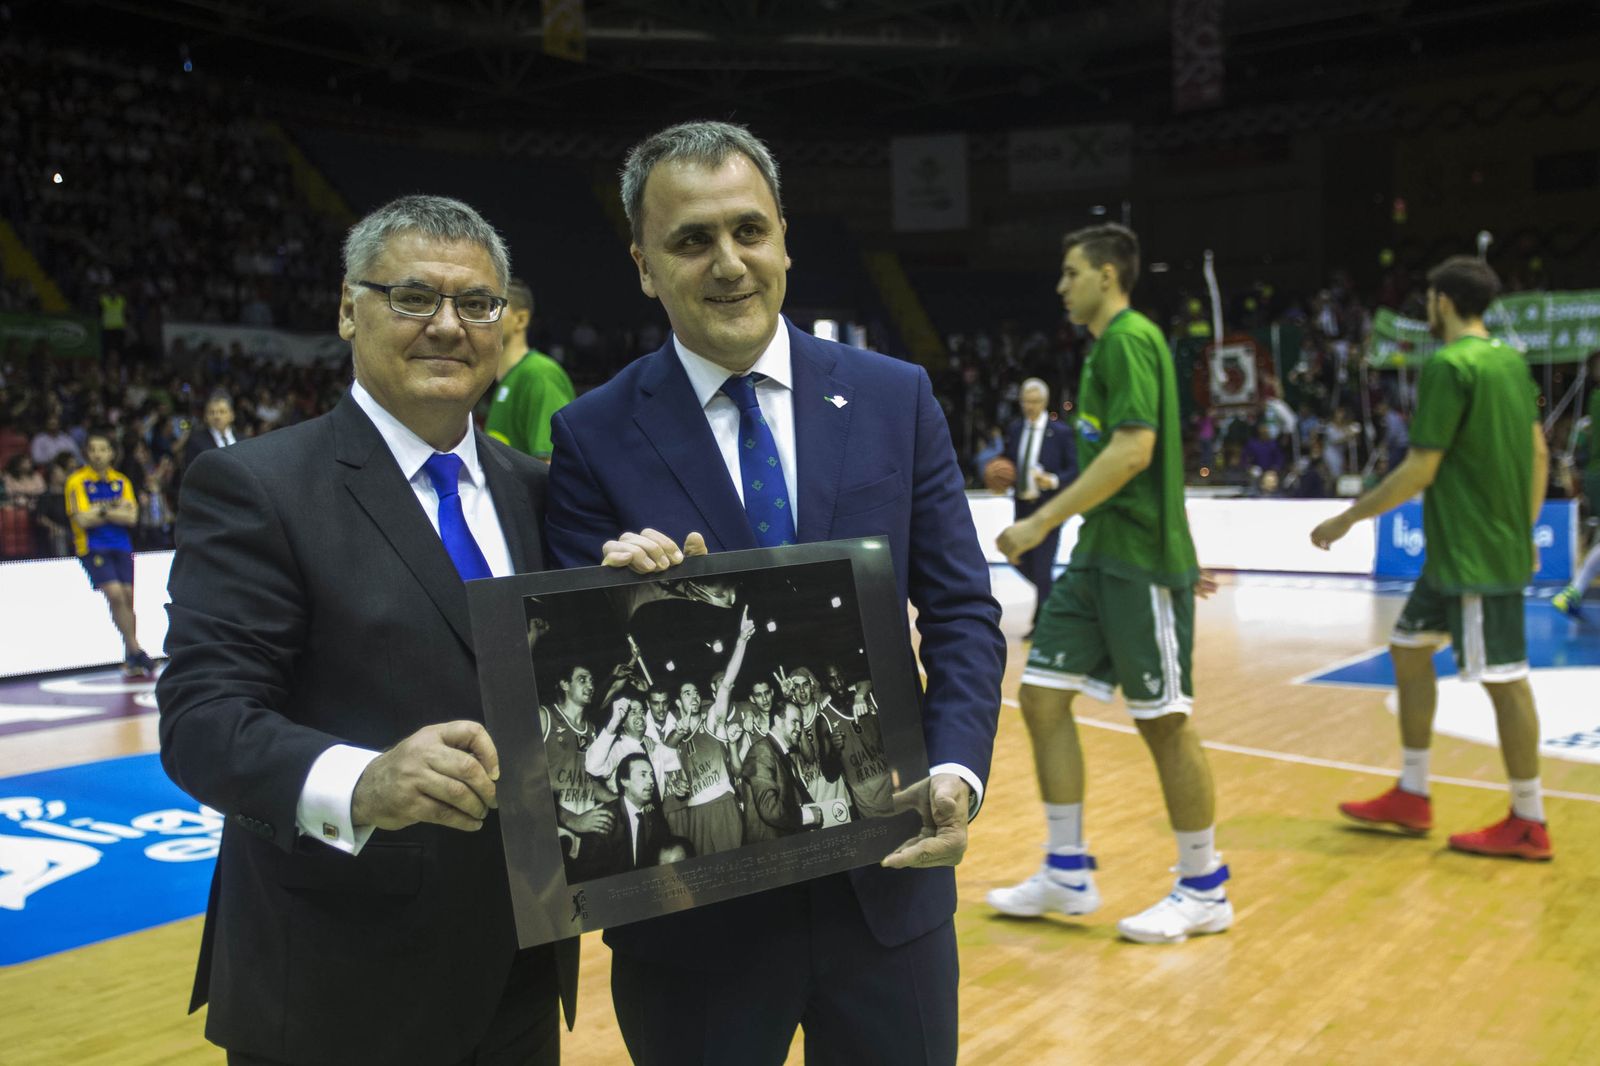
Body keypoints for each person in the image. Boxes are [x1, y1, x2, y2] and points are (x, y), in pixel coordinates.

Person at [545, 120, 1004, 1065]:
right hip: (694, 925)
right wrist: (619, 598)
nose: (728, 264)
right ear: (643, 265)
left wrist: (957, 772)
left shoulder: (895, 396)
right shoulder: (591, 436)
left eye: (749, 231)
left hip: (890, 893)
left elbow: (961, 611)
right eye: (691, 241)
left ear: (785, 236)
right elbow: (586, 680)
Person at [155, 194, 578, 1065]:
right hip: (336, 989)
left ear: (505, 323)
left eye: (477, 304)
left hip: (520, 970)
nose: (448, 326)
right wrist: (363, 782)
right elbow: (201, 721)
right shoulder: (259, 487)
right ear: (349, 308)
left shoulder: (540, 489)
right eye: (414, 297)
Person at [990, 223, 1233, 945]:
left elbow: (1135, 452)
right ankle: (1067, 873)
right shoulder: (1106, 351)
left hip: (1136, 560)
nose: (1061, 286)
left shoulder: (1129, 338)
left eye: (1070, 273)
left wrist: (1038, 523)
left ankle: (1204, 886)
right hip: (1099, 557)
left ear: (1106, 275)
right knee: (1039, 697)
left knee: (1163, 721)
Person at [1312, 255, 1553, 861]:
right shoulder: (1509, 361)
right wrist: (1524, 534)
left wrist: (1346, 517)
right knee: (1409, 648)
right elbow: (1540, 454)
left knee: (1505, 682)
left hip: (1474, 553)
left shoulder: (1449, 365)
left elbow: (1420, 468)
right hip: (1464, 553)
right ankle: (1414, 792)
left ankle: (1529, 818)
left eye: (1427, 299)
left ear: (1441, 301)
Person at [65, 432, 154, 677]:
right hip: (93, 546)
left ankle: (131, 654)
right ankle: (136, 649)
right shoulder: (77, 481)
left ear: (111, 453)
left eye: (103, 449)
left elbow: (132, 517)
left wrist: (100, 511)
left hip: (122, 544)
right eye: (93, 449)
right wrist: (113, 507)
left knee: (128, 596)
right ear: (86, 453)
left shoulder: (121, 481)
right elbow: (83, 519)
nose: (98, 454)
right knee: (115, 594)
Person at [1001, 377, 1077, 635]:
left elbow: (1074, 470)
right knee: (1016, 556)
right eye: (1025, 401)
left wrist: (1053, 480)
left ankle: (1042, 625)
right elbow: (1008, 462)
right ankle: (1059, 600)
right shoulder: (1014, 429)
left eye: (1034, 401)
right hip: (1022, 506)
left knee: (1043, 567)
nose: (1029, 406)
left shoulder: (1062, 432)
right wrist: (1000, 476)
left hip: (1048, 508)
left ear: (1044, 402)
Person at [484, 277, 575, 462]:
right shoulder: (506, 380)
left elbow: (551, 465)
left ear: (521, 319)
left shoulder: (539, 374)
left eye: (493, 307)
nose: (484, 316)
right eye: (476, 306)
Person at [741, 704, 824, 843]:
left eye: (801, 723)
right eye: (794, 722)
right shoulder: (762, 751)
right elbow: (769, 808)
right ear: (778, 721)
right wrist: (807, 815)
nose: (799, 728)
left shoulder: (781, 753)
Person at [590, 752, 673, 877]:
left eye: (651, 775)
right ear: (624, 781)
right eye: (643, 775)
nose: (651, 781)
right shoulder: (604, 818)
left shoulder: (655, 817)